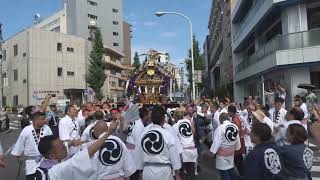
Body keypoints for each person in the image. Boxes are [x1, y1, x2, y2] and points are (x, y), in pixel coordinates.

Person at [33, 121, 118, 180]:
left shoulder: (44, 162)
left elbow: (69, 144)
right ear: (52, 156)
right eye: (63, 148)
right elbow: (88, 152)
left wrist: (74, 142)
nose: (65, 148)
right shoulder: (57, 170)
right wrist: (108, 133)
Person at [138, 105, 182, 180]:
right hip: (164, 173)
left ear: (151, 118)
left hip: (148, 171)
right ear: (163, 119)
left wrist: (141, 171)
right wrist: (177, 173)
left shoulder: (144, 134)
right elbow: (174, 156)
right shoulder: (168, 134)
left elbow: (139, 154)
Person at [11, 112, 53, 179]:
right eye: (42, 119)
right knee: (31, 177)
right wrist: (18, 157)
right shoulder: (26, 130)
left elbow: (52, 142)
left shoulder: (47, 128)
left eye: (44, 118)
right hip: (31, 162)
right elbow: (20, 144)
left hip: (45, 160)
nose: (45, 121)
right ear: (35, 120)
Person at [210, 112, 241, 180]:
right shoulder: (234, 126)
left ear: (220, 119)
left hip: (222, 154)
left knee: (224, 172)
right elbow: (237, 140)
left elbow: (216, 141)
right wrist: (237, 148)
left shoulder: (220, 128)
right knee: (230, 169)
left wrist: (212, 152)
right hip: (231, 152)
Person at [173, 110, 198, 178]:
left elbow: (174, 140)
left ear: (175, 117)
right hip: (192, 147)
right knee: (191, 170)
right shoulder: (188, 121)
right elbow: (193, 131)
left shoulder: (175, 126)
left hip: (183, 150)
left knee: (182, 172)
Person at [126, 108, 147, 180]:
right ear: (145, 116)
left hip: (130, 149)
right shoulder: (139, 126)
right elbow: (139, 142)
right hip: (134, 150)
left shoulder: (134, 122)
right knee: (134, 173)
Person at [228, 105, 245, 178]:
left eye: (228, 111)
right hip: (241, 140)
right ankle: (242, 174)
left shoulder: (235, 120)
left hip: (238, 141)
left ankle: (242, 175)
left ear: (231, 112)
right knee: (239, 159)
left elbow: (236, 132)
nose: (228, 113)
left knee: (237, 160)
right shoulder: (238, 117)